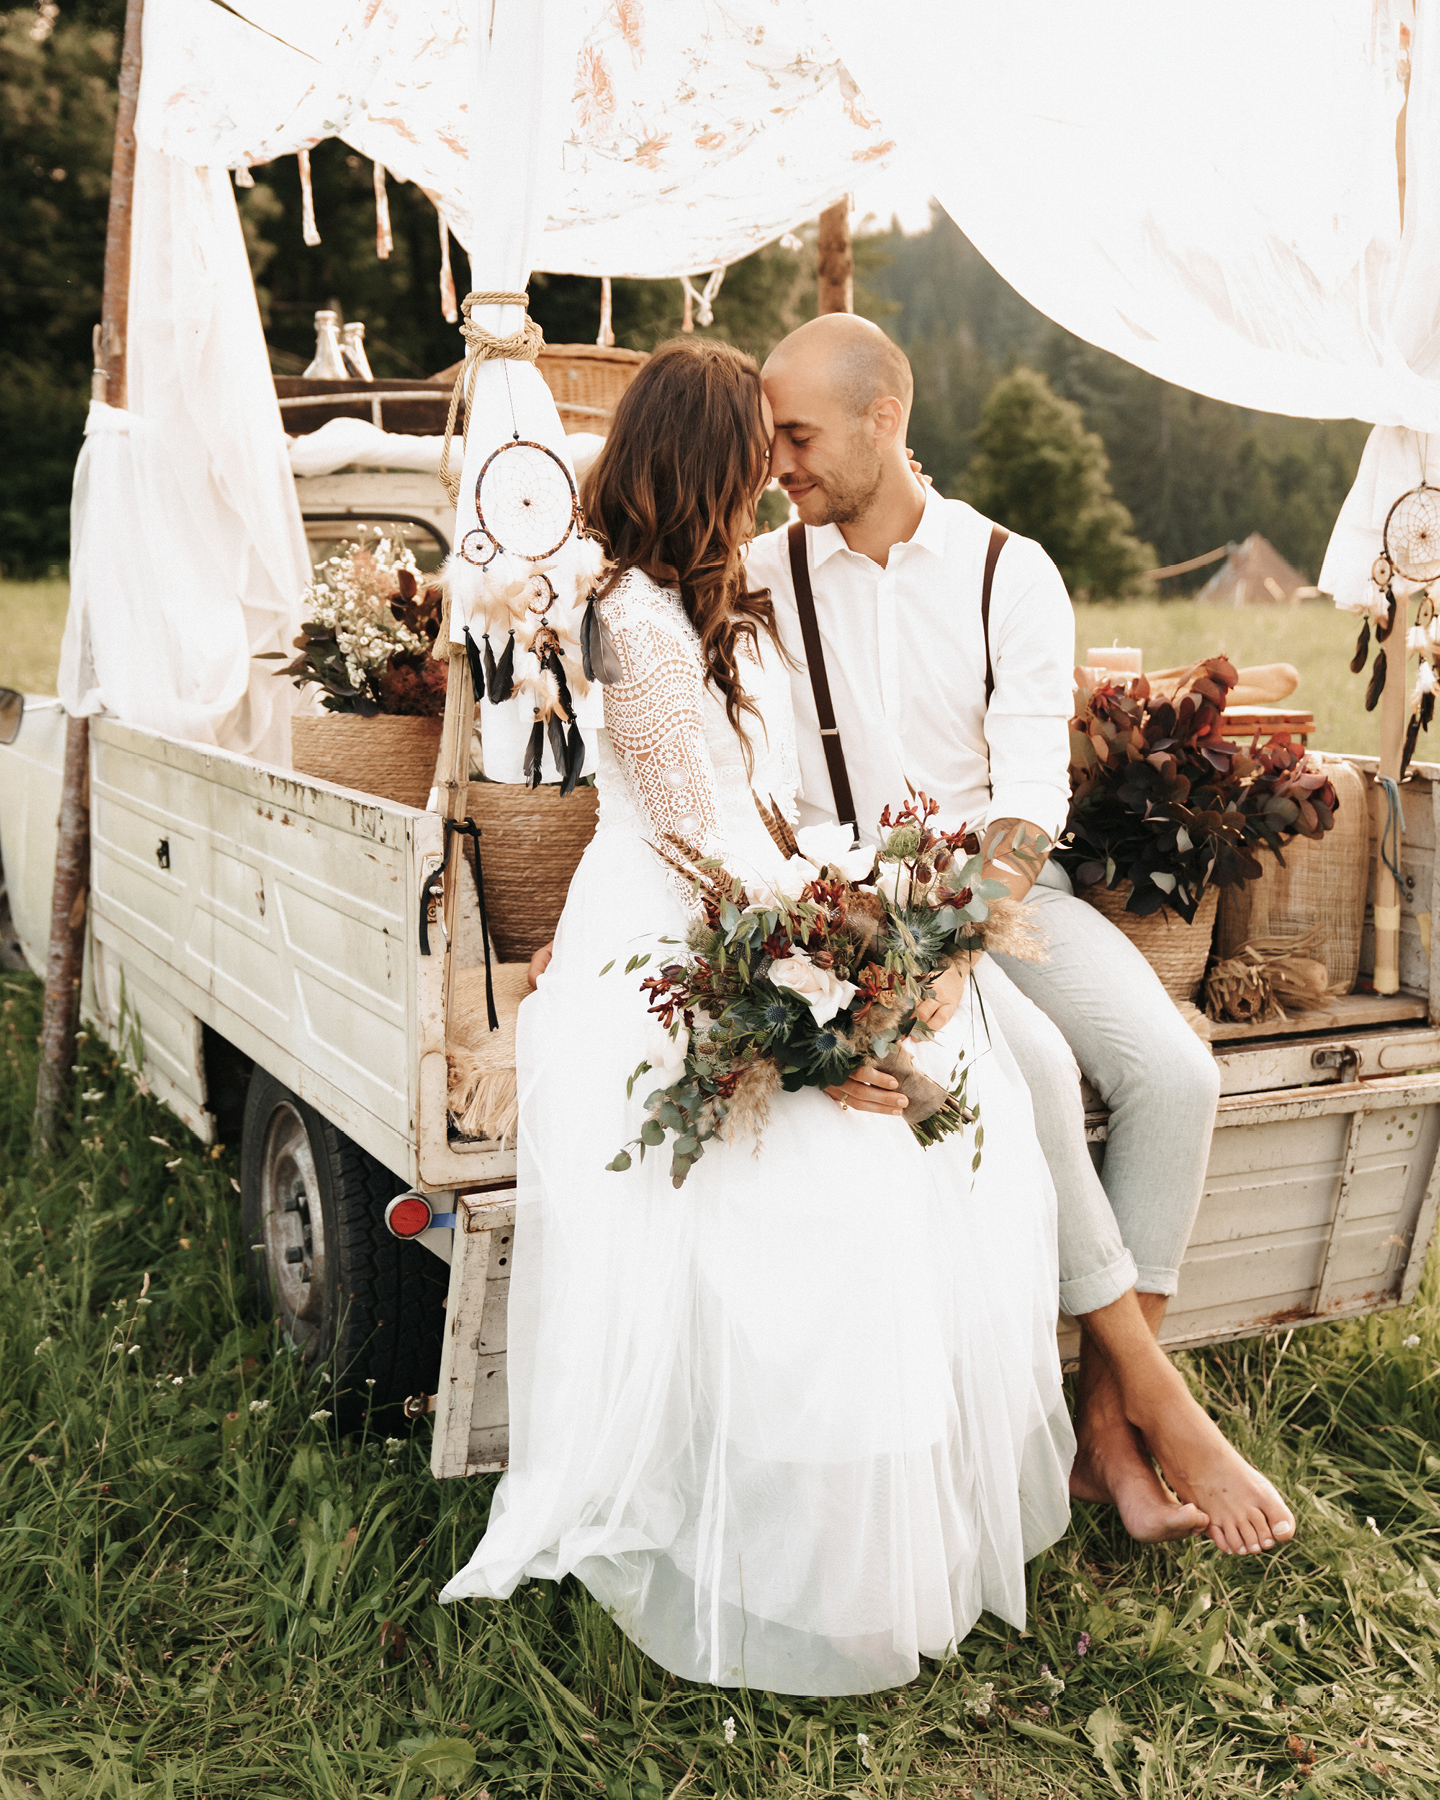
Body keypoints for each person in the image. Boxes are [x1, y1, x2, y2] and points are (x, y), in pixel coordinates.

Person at [442, 337, 1076, 1695]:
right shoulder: (628, 618)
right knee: (839, 1185)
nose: (774, 480)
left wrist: (861, 906)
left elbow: (760, 818)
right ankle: (793, 1561)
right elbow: (694, 845)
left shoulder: (707, 600)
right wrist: (831, 962)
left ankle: (859, 1545)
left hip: (750, 902)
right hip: (678, 944)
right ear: (707, 461)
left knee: (942, 1120)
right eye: (758, 455)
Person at [746, 312, 1296, 1558]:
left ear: (884, 420)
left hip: (1011, 892)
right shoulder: (769, 577)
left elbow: (1027, 792)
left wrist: (969, 934)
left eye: (798, 434)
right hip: (862, 906)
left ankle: (1106, 1423)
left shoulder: (1010, 570)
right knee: (1039, 1076)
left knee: (1176, 1072)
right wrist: (896, 942)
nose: (778, 462)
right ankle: (1159, 1409)